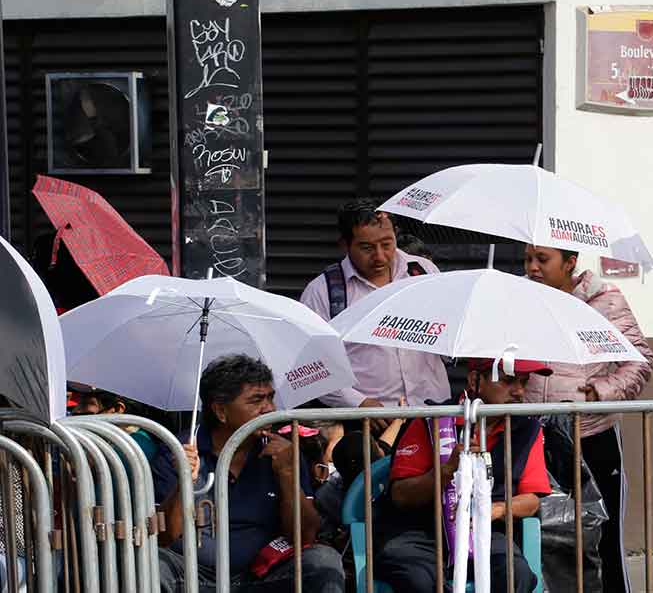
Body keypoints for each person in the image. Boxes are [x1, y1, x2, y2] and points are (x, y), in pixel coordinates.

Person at [151, 355, 345, 593]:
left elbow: (305, 536)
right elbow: (165, 537)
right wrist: (184, 482)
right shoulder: (180, 450)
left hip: (264, 573)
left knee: (323, 561)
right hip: (193, 576)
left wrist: (287, 476)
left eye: (270, 398)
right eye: (256, 400)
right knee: (153, 565)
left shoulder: (283, 452)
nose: (270, 409)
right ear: (221, 411)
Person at [522, 244, 653, 593]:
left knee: (603, 537)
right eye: (527, 259)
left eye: (542, 260)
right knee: (539, 536)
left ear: (570, 263)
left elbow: (640, 360)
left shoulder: (605, 300)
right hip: (534, 437)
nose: (532, 267)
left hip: (592, 435)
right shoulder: (518, 299)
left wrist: (601, 391)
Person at [376, 358, 552, 593]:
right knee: (416, 579)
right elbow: (400, 495)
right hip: (420, 534)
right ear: (474, 380)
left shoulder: (527, 428)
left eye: (524, 382)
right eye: (509, 381)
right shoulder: (431, 418)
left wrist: (494, 510)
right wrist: (447, 471)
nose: (519, 391)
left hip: (487, 534)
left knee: (517, 576)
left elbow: (531, 500)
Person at [299, 199, 450, 438]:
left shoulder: (422, 272)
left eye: (386, 244)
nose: (380, 256)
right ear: (345, 245)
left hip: (433, 415)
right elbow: (314, 369)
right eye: (367, 248)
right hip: (370, 426)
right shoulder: (322, 292)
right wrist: (359, 403)